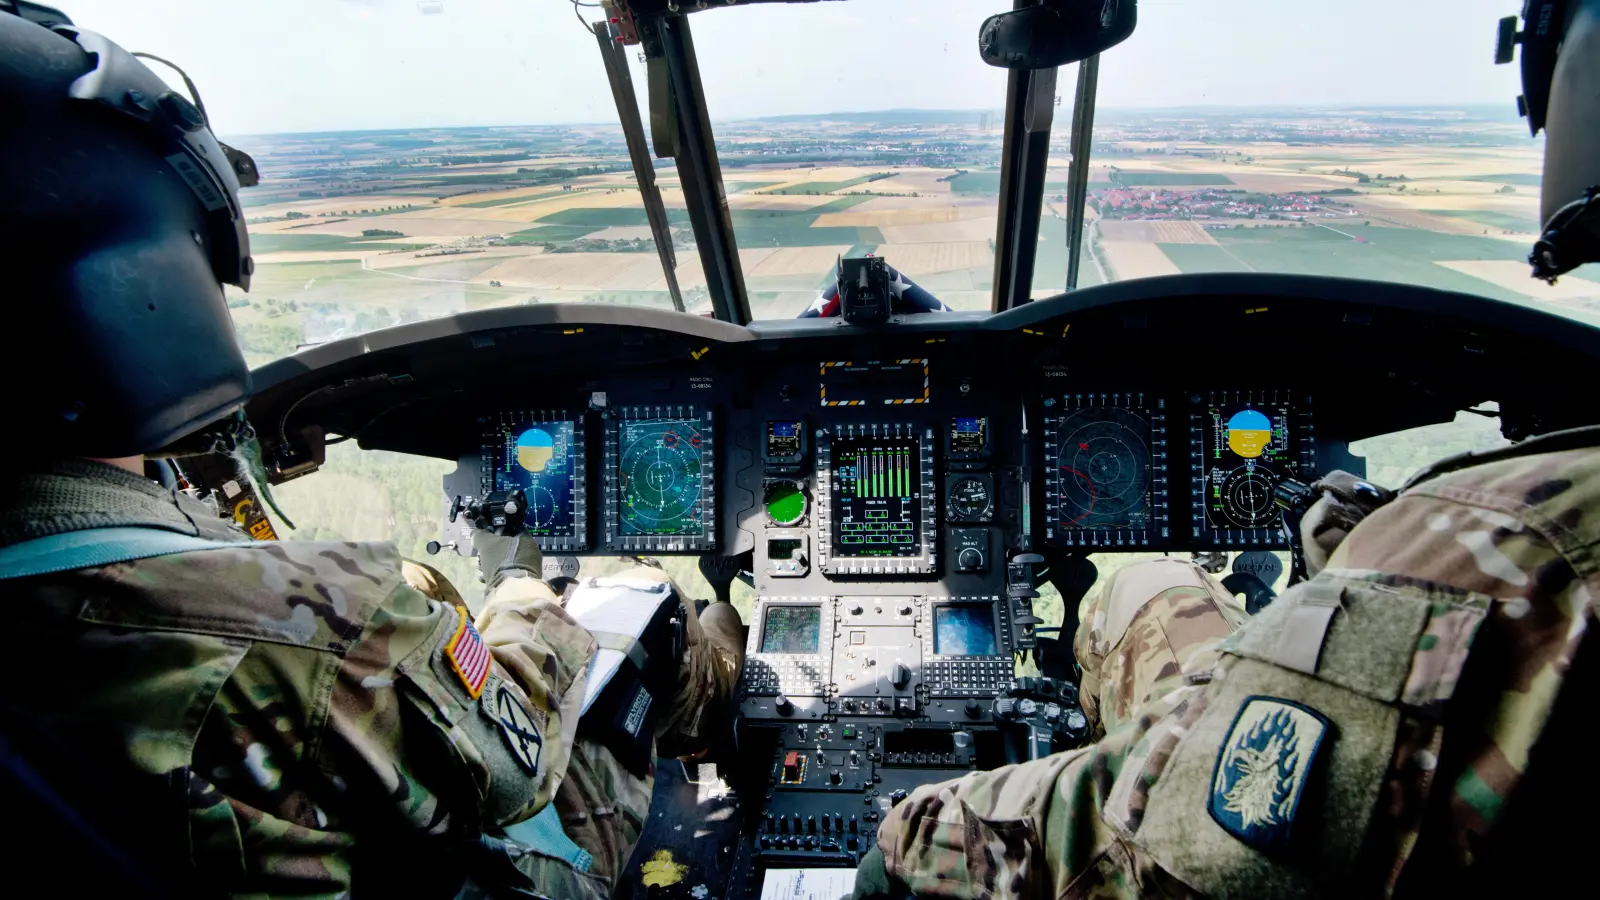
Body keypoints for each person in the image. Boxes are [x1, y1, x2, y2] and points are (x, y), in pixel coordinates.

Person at [854, 5, 1600, 896]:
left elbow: (1156, 849)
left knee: (1139, 584)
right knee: (1153, 579)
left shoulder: (1521, 540)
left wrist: (904, 838)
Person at [0, 10, 744, 898]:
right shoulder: (327, 624)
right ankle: (741, 748)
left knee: (430, 597)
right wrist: (531, 608)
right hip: (480, 866)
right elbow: (510, 770)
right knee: (644, 612)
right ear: (138, 285)